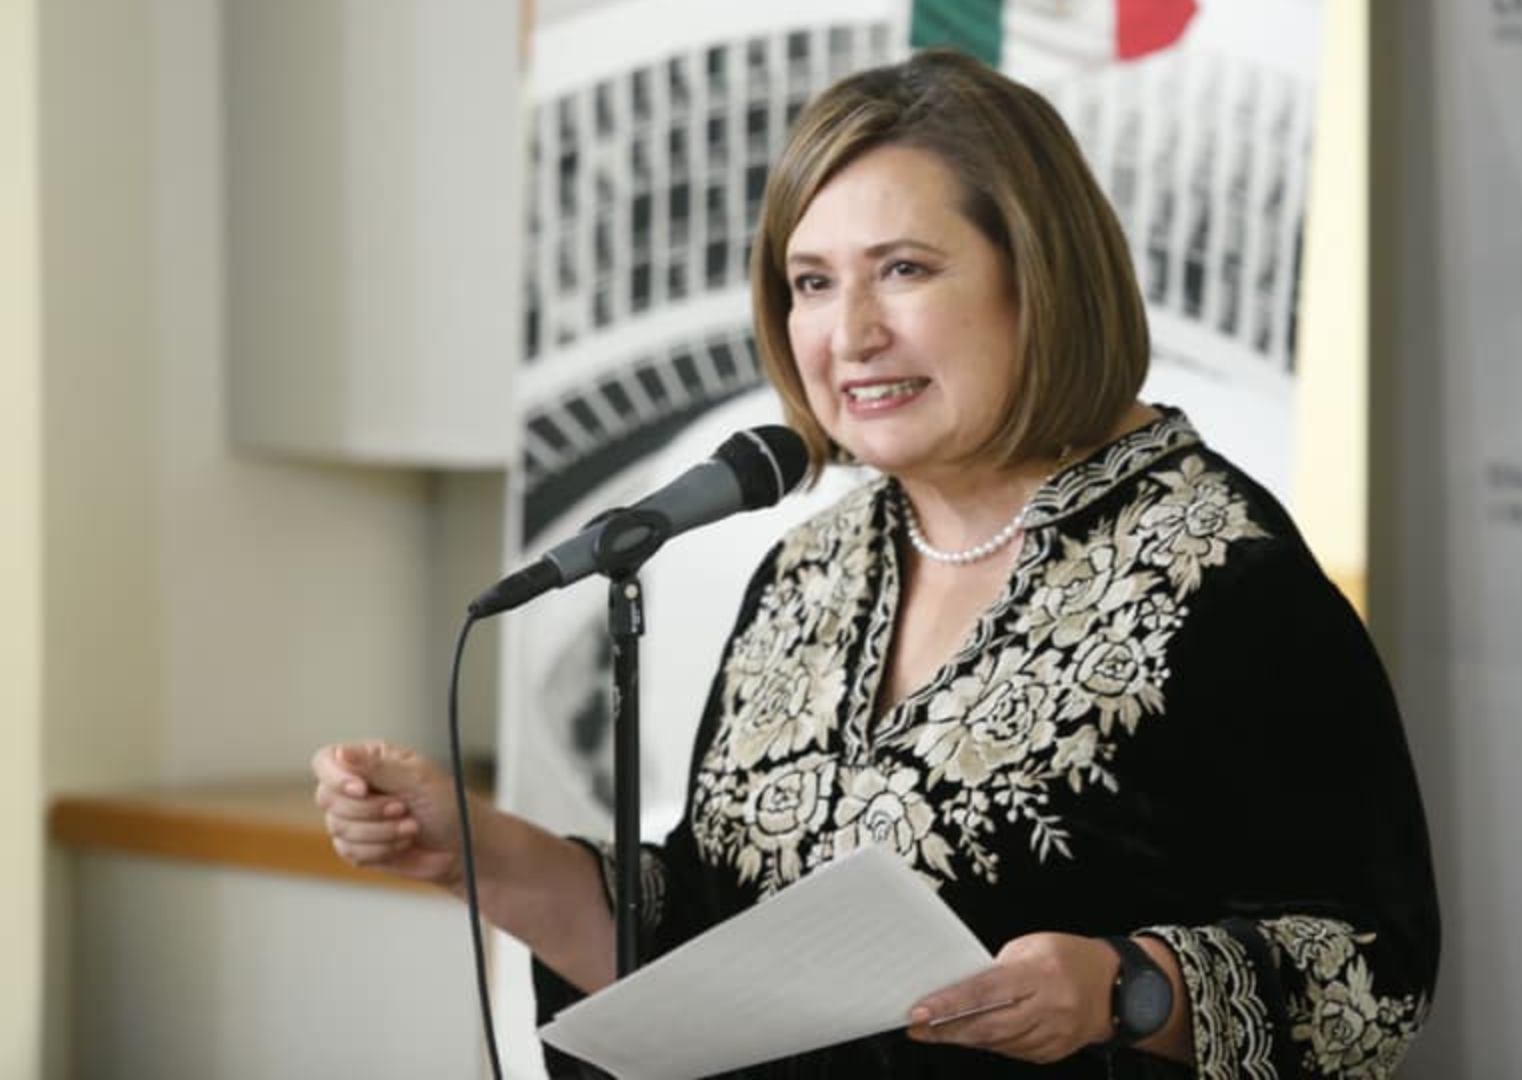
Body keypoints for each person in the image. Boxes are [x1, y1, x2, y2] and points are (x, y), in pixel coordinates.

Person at [312, 48, 1439, 1078]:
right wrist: (479, 852)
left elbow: (1371, 973)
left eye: (902, 269)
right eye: (811, 282)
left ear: (1036, 278)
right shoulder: (811, 570)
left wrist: (1127, 988)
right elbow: (714, 941)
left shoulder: (1222, 572)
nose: (848, 335)